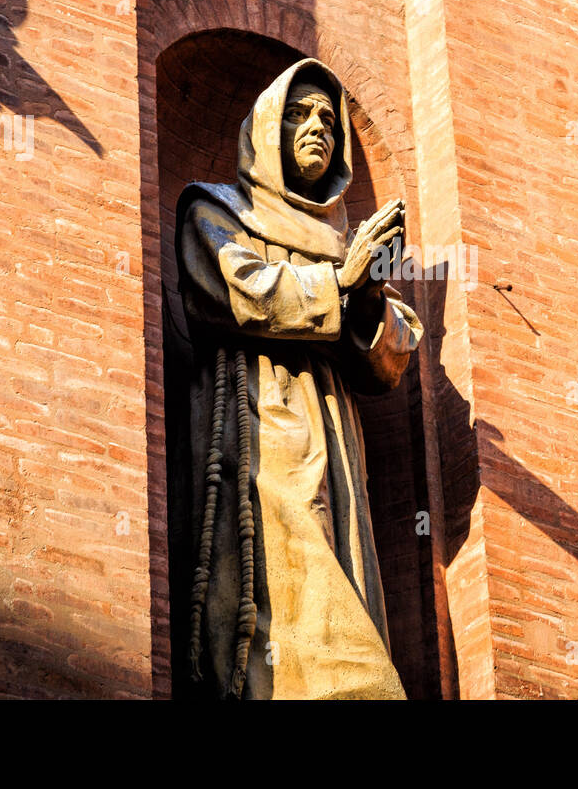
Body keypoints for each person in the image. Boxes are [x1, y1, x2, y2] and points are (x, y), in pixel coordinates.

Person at [174, 58, 421, 699]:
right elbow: (232, 289)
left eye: (327, 120)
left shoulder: (341, 241)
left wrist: (366, 295)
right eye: (298, 113)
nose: (317, 128)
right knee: (283, 597)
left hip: (332, 437)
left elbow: (390, 356)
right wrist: (340, 284)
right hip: (258, 423)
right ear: (266, 130)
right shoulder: (216, 208)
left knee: (337, 566)